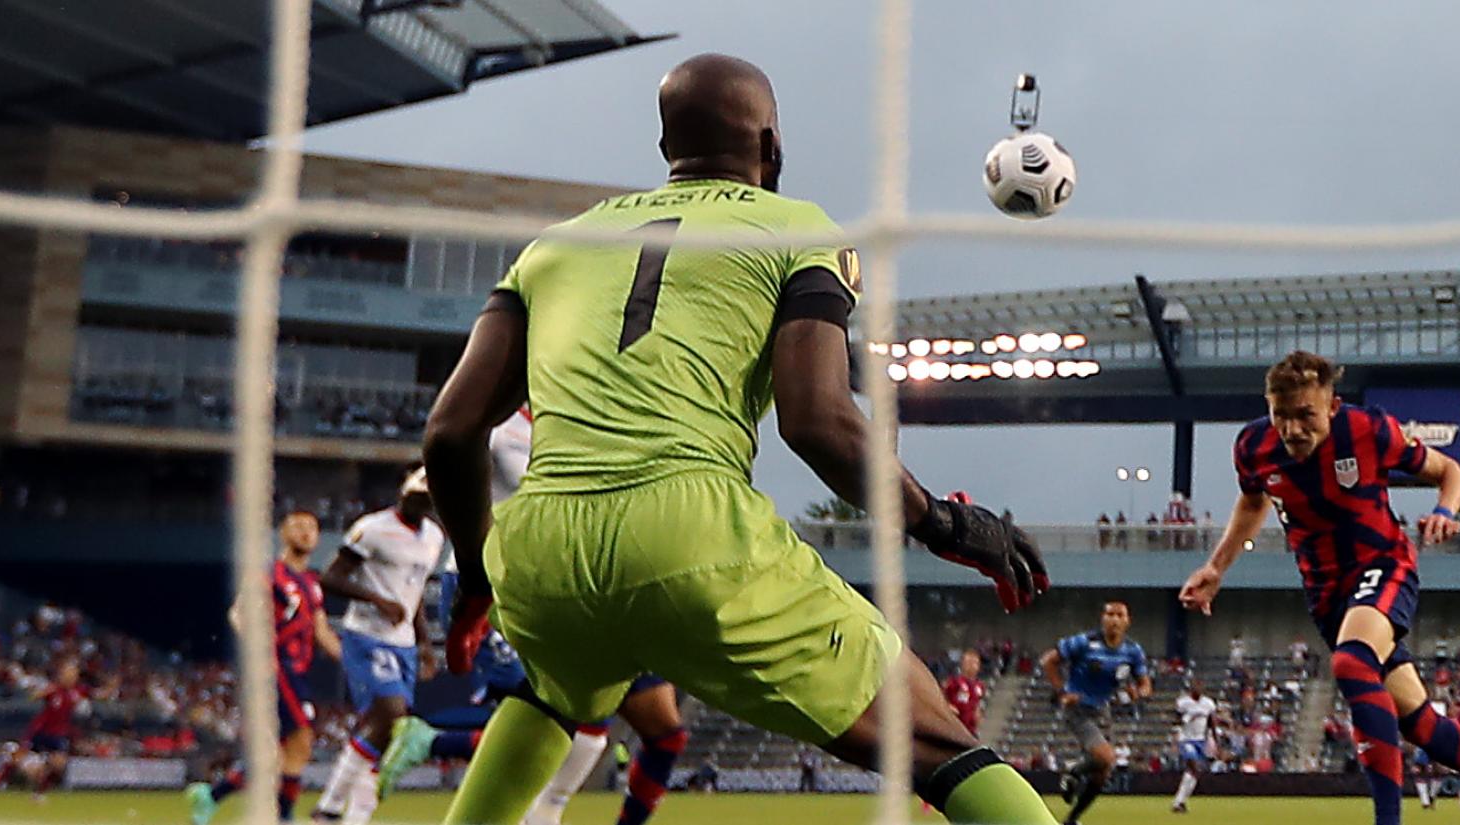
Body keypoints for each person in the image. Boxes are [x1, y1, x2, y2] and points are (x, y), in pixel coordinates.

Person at [419, 52, 1051, 825]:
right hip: (689, 532)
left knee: (553, 691)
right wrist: (947, 523)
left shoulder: (555, 245)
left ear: (665, 150)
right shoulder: (796, 228)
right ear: (771, 145)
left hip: (541, 549)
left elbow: (450, 431)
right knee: (931, 738)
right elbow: (818, 423)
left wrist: (477, 578)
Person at [1177, 351, 1460, 825]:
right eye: (1281, 415)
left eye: (1305, 415)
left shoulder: (1368, 430)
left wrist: (1445, 511)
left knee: (1351, 662)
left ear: (1332, 407)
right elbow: (1252, 503)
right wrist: (1216, 567)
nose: (1292, 429)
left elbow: (1451, 472)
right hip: (1327, 594)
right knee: (1418, 723)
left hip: (1383, 565)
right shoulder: (1252, 446)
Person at [379, 406, 690, 825]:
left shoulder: (597, 417)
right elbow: (438, 463)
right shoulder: (498, 419)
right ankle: (441, 748)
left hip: (587, 592)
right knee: (556, 715)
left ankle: (435, 742)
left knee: (663, 733)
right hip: (499, 588)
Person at [186, 511, 342, 825]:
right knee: (301, 739)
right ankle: (283, 816)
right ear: (283, 534)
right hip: (277, 667)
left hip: (298, 671)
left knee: (277, 754)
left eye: (311, 527)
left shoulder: (312, 584)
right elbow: (239, 614)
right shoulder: (270, 575)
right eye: (298, 526)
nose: (306, 532)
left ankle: (212, 795)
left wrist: (352, 660)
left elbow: (321, 631)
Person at [310, 466, 446, 825]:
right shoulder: (373, 528)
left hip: (404, 644)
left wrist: (425, 644)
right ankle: (330, 807)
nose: (421, 503)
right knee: (391, 714)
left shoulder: (434, 535)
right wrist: (376, 599)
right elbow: (331, 578)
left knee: (385, 732)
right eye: (416, 496)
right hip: (367, 636)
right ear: (403, 492)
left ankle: (344, 814)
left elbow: (414, 592)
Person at [1040, 601, 1151, 825]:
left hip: (1102, 710)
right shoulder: (1084, 642)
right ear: (1103, 618)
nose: (1114, 620)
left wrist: (1138, 693)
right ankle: (1073, 772)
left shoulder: (1133, 650)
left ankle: (1071, 819)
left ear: (1127, 621)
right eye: (1110, 614)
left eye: (1120, 615)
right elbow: (1048, 661)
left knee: (1103, 773)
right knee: (1106, 757)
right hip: (1078, 708)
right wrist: (1062, 691)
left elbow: (1145, 685)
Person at [15, 660, 88, 802]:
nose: (71, 677)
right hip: (40, 732)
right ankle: (11, 782)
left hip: (58, 735)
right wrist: (37, 692)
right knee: (29, 767)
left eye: (74, 674)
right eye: (68, 674)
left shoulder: (75, 692)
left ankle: (40, 792)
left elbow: (94, 695)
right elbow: (34, 696)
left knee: (59, 764)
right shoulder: (53, 690)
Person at [1170, 681, 1217, 813]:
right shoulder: (1183, 703)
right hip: (1186, 739)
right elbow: (1176, 721)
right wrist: (1176, 736)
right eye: (1196, 687)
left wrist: (1215, 739)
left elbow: (1212, 722)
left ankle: (1180, 802)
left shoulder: (1208, 703)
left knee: (1194, 772)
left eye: (1200, 687)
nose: (1198, 690)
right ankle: (1178, 801)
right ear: (1191, 689)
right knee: (1194, 766)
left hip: (1200, 740)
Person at [942, 650, 988, 735]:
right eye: (968, 662)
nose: (971, 666)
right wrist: (948, 706)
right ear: (962, 664)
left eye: (974, 663)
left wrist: (978, 715)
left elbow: (977, 703)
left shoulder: (980, 686)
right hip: (955, 726)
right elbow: (941, 696)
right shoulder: (954, 681)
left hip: (971, 730)